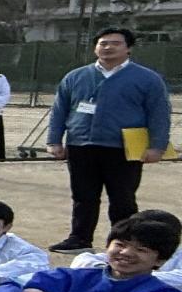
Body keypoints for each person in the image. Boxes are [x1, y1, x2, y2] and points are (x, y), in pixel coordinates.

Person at [47, 28, 171, 252]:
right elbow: (59, 110)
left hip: (123, 148)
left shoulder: (147, 79)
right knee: (83, 196)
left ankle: (126, 240)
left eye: (115, 43)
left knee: (122, 198)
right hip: (81, 145)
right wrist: (54, 140)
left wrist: (157, 146)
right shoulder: (76, 76)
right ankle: (79, 239)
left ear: (128, 48)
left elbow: (159, 114)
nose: (108, 47)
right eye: (103, 43)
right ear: (95, 47)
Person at [0, 213, 182, 292]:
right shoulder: (80, 275)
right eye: (120, 244)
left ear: (160, 260)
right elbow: (16, 284)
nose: (126, 253)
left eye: (141, 250)